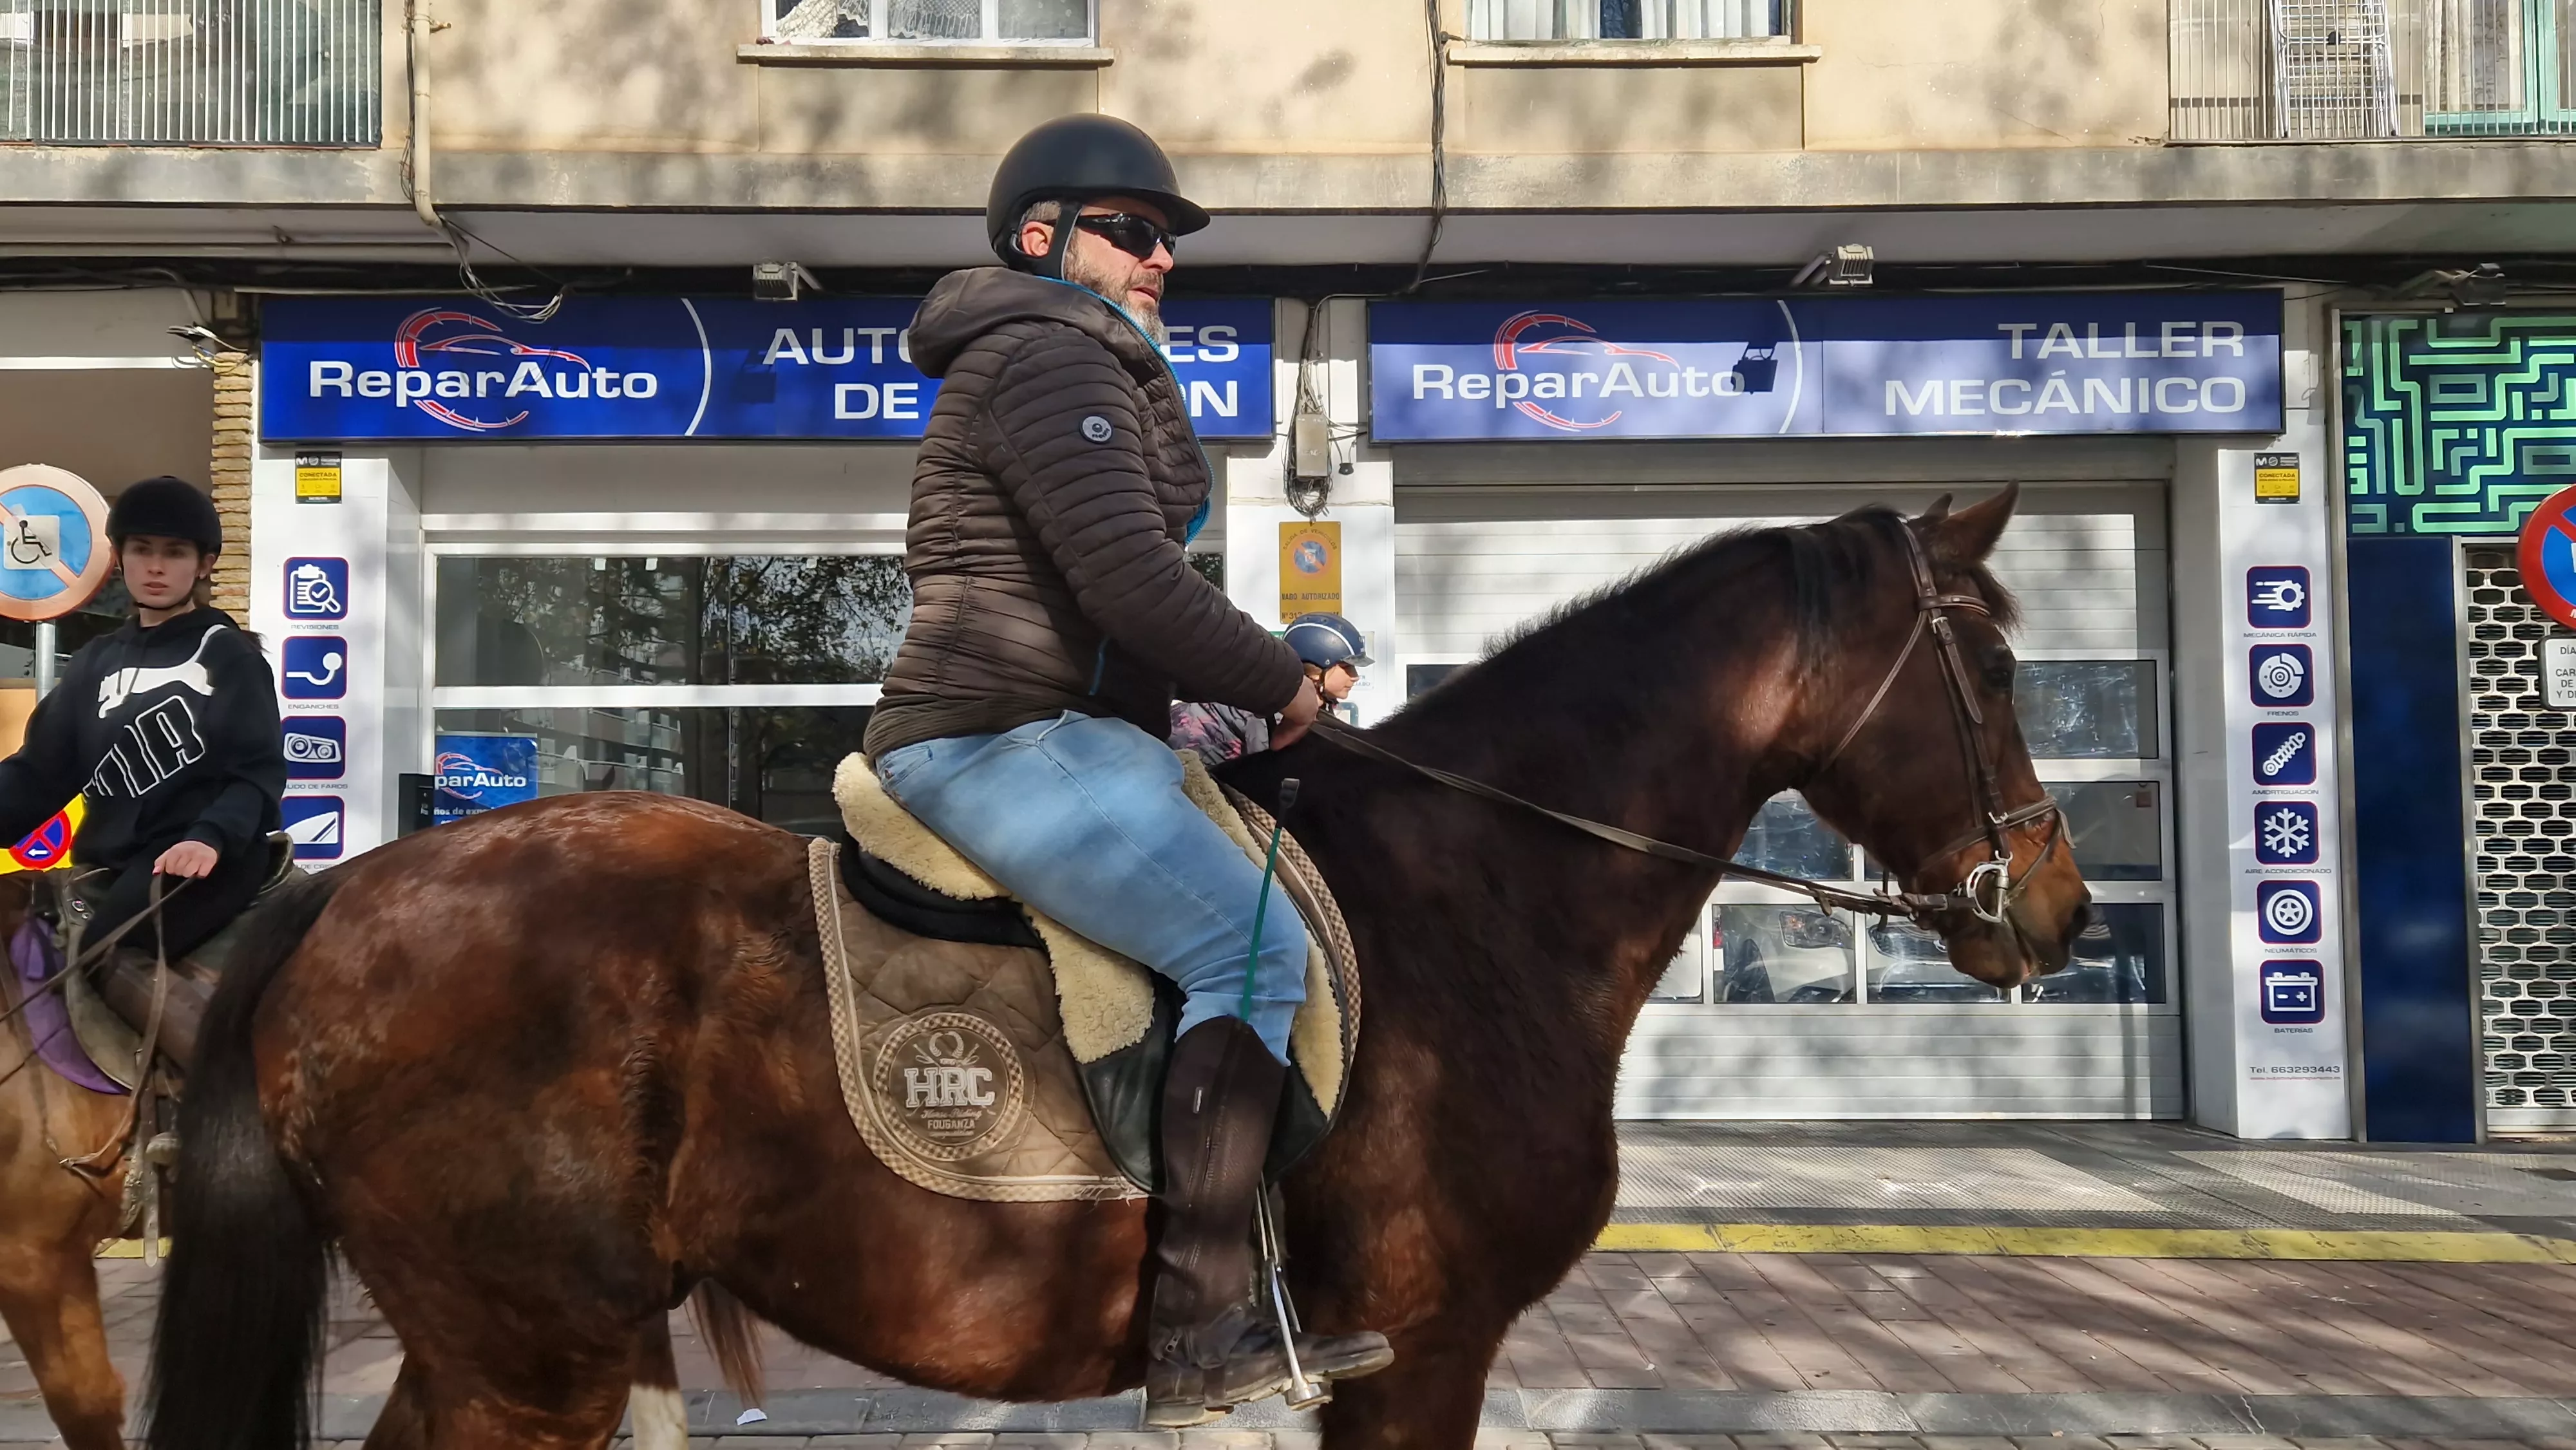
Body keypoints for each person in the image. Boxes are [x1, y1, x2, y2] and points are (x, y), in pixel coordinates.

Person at [862, 116, 1392, 1424]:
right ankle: (1199, 1325)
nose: (1161, 257)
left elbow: (1124, 604)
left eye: (1166, 239)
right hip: (995, 733)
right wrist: (1282, 683)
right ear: (1041, 237)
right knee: (1251, 951)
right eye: (1133, 231)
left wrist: (1237, 696)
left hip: (1070, 729)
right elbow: (1132, 584)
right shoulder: (1045, 353)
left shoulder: (1072, 353)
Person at [0, 477, 285, 961]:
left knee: (108, 951)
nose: (156, 566)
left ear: (204, 564)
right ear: (120, 557)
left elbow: (256, 774)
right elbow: (40, 773)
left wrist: (209, 837)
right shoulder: (95, 661)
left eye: (175, 552)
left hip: (206, 858)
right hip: (111, 860)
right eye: (142, 549)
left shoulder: (228, 656)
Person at [1170, 612, 1371, 771]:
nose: (1355, 676)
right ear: (1318, 671)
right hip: (1187, 754)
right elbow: (1268, 769)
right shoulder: (1274, 708)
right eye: (1347, 667)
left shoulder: (1313, 701)